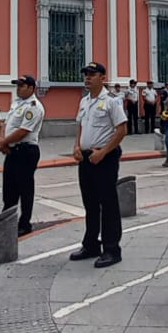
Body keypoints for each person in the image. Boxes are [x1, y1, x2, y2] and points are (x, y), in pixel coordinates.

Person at [71, 61, 128, 267]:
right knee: (90, 203)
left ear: (103, 77)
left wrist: (103, 152)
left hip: (105, 158)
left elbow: (121, 130)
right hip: (86, 158)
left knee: (108, 204)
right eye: (86, 74)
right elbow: (80, 126)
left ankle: (112, 249)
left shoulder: (112, 101)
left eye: (92, 74)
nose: (88, 77)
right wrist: (77, 146)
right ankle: (91, 244)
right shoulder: (85, 101)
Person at [0, 74, 45, 235]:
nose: (18, 88)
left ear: (31, 88)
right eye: (17, 85)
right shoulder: (17, 103)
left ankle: (24, 223)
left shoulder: (34, 106)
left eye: (21, 85)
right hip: (13, 150)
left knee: (24, 188)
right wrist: (2, 139)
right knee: (9, 188)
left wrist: (4, 142)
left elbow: (23, 131)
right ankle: (5, 222)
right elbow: (6, 124)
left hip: (26, 151)